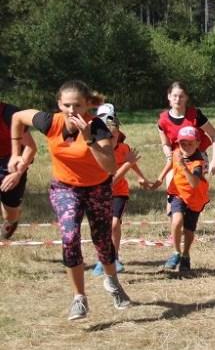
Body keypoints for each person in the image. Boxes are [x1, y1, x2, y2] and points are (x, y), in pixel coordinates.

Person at [9, 80, 131, 320]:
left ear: (87, 105)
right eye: (66, 105)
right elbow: (17, 118)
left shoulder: (98, 127)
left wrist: (88, 138)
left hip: (97, 188)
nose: (72, 111)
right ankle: (79, 298)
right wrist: (16, 154)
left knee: (102, 240)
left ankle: (112, 282)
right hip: (65, 188)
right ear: (58, 104)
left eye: (77, 105)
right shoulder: (49, 122)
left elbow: (109, 166)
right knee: (70, 237)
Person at [91, 104, 153, 276]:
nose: (112, 137)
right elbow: (111, 179)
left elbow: (131, 164)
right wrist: (127, 164)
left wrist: (141, 177)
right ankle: (101, 259)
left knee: (114, 223)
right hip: (101, 192)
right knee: (101, 227)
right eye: (108, 135)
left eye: (115, 133)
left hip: (119, 192)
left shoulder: (124, 148)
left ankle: (114, 257)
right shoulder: (97, 151)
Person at [152, 126, 210, 275]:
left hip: (195, 198)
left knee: (189, 231)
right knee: (176, 220)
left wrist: (184, 168)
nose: (186, 147)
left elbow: (195, 183)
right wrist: (160, 179)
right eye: (183, 143)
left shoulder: (198, 162)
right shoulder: (177, 152)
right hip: (177, 193)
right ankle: (176, 252)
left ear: (198, 143)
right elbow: (171, 163)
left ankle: (185, 255)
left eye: (190, 143)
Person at [157, 81, 215, 174]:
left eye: (181, 96)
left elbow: (214, 135)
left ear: (186, 98)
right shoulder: (163, 120)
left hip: (198, 159)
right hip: (177, 158)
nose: (178, 99)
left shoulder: (195, 115)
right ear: (169, 96)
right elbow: (165, 144)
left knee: (194, 187)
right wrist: (169, 155)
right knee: (173, 187)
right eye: (175, 96)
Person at [0, 101, 37, 240]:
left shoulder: (10, 114)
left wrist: (18, 173)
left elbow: (30, 147)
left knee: (10, 214)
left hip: (11, 163)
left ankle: (12, 220)